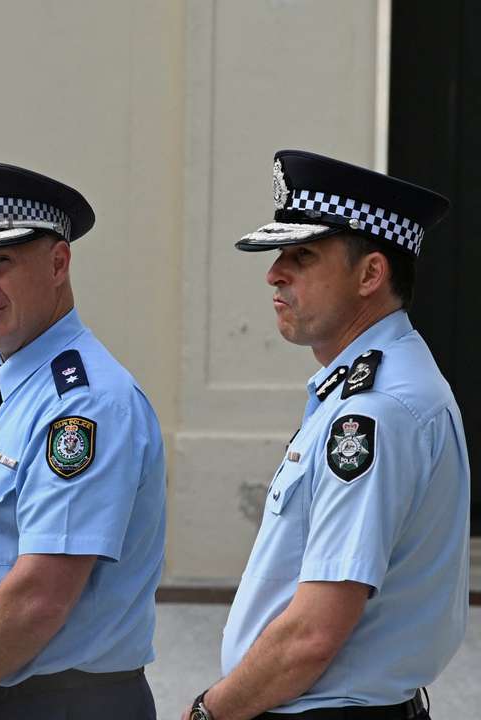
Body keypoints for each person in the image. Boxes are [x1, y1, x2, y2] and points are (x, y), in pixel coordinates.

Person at [182, 150, 467, 720]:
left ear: (370, 274)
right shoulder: (373, 387)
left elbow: (312, 633)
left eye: (302, 255)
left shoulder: (375, 411)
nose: (274, 273)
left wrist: (209, 713)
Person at [0, 160, 166, 719]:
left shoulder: (87, 403)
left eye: (1, 262)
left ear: (58, 262)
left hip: (60, 704)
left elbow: (41, 593)